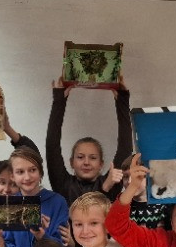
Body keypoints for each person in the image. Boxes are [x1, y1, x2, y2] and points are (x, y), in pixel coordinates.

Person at [45, 77, 131, 207]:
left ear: (101, 164)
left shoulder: (112, 180)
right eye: (80, 157)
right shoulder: (63, 184)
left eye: (93, 158)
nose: (86, 162)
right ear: (71, 162)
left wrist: (122, 99)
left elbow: (125, 147)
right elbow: (52, 146)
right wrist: (59, 100)